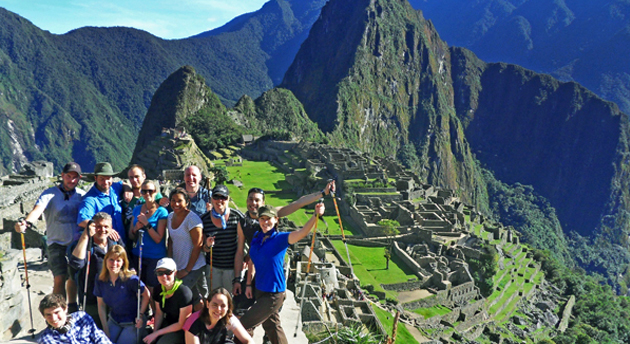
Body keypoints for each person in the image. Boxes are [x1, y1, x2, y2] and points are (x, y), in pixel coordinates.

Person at [239, 203, 325, 344]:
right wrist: (248, 284)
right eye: (262, 218)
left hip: (274, 293)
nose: (265, 222)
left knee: (244, 325)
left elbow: (302, 232)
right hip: (259, 290)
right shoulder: (257, 237)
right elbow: (251, 261)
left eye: (269, 218)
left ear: (276, 220)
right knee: (272, 327)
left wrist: (316, 215)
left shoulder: (280, 239)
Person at [234, 181, 334, 296]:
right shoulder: (243, 223)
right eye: (250, 199)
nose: (253, 203)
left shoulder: (272, 214)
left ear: (263, 203)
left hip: (273, 270)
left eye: (257, 200)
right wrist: (237, 279)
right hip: (256, 267)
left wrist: (323, 193)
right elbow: (240, 252)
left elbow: (298, 203)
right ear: (247, 201)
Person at [14, 162, 84, 307]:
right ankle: (59, 309)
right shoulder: (49, 194)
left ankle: (71, 306)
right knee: (59, 278)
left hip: (76, 244)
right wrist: (26, 223)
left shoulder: (82, 195)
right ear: (62, 176)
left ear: (79, 178)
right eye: (68, 176)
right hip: (56, 243)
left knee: (73, 278)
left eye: (75, 177)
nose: (71, 180)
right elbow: (37, 210)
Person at [69, 212, 123, 328]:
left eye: (106, 227)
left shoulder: (115, 243)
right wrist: (85, 235)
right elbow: (76, 264)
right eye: (98, 226)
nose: (102, 230)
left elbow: (127, 264)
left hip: (114, 298)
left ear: (111, 228)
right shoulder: (85, 245)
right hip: (91, 298)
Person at [95, 245, 150, 344]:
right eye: (111, 259)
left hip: (132, 322)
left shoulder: (131, 279)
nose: (114, 264)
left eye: (118, 260)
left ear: (123, 262)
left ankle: (142, 333)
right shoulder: (100, 279)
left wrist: (141, 315)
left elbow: (146, 295)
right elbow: (101, 305)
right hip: (114, 319)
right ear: (106, 260)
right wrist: (105, 329)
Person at [201, 185, 244, 291]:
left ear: (228, 199)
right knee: (213, 299)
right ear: (211, 199)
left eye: (223, 197)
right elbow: (203, 249)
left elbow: (240, 248)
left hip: (231, 268)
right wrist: (207, 245)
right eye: (216, 197)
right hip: (212, 267)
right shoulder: (203, 219)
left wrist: (237, 278)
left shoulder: (237, 217)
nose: (219, 200)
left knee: (229, 301)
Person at [128, 179, 168, 293]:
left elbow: (158, 238)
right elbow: (131, 235)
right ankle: (141, 311)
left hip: (154, 257)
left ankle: (154, 311)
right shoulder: (136, 210)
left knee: (152, 289)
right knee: (138, 287)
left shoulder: (162, 212)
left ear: (156, 192)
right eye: (144, 191)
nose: (147, 194)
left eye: (150, 191)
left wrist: (146, 224)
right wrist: (136, 228)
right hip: (138, 254)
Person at [167, 188, 207, 301]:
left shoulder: (193, 220)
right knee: (194, 299)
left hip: (194, 267)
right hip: (178, 267)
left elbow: (198, 246)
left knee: (181, 296)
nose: (176, 204)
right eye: (173, 200)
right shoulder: (170, 217)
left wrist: (187, 270)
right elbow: (170, 240)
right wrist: (170, 263)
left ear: (187, 202)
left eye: (180, 201)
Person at [144, 257, 194, 344]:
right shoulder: (158, 289)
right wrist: (154, 334)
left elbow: (181, 324)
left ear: (175, 273)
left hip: (183, 329)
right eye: (160, 273)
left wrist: (156, 334)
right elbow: (159, 313)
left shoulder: (184, 293)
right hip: (168, 324)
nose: (164, 276)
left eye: (168, 272)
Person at [77, 162, 125, 244]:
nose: (105, 182)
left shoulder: (114, 188)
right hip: (104, 245)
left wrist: (127, 189)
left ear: (112, 178)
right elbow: (82, 221)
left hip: (122, 242)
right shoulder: (90, 199)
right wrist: (105, 229)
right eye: (101, 178)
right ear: (95, 178)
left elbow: (123, 183)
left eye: (108, 178)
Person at [183, 288, 253, 344]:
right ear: (207, 304)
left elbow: (249, 341)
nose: (218, 309)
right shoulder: (194, 322)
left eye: (223, 306)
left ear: (228, 307)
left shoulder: (229, 318)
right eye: (215, 305)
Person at [38, 293, 111, 344]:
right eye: (48, 315)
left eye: (57, 312)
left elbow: (99, 337)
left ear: (65, 309)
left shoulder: (81, 317)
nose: (53, 318)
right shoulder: (46, 340)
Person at [123, 165, 168, 229]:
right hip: (128, 236)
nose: (134, 180)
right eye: (131, 177)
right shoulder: (125, 195)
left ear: (144, 176)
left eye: (137, 176)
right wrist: (126, 187)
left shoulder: (154, 195)